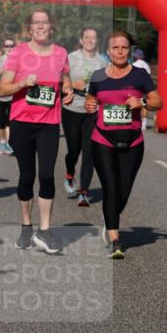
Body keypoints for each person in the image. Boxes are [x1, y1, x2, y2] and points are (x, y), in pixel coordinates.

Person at [0, 8, 73, 254]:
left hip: (49, 124)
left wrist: (68, 90)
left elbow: (66, 80)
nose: (40, 26)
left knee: (48, 174)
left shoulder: (61, 53)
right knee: (27, 175)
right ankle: (26, 226)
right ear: (30, 28)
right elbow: (1, 89)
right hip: (22, 123)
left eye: (45, 22)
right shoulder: (18, 53)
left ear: (52, 27)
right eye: (36, 23)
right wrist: (21, 83)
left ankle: (46, 229)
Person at [84, 31, 162, 259]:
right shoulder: (98, 76)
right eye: (115, 48)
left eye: (124, 48)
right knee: (110, 187)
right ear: (108, 51)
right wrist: (90, 106)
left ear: (129, 50)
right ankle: (115, 239)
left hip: (133, 142)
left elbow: (159, 101)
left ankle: (110, 218)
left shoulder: (139, 75)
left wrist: (142, 101)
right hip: (102, 139)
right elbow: (91, 100)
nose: (119, 51)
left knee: (123, 193)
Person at [64, 27, 105, 206]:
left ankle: (84, 192)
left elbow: (105, 88)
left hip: (91, 112)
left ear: (97, 41)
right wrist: (71, 85)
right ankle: (69, 174)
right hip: (72, 110)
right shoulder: (70, 58)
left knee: (89, 152)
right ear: (81, 40)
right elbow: (60, 81)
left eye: (93, 38)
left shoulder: (103, 63)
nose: (90, 40)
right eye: (87, 37)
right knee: (73, 150)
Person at [0, 38, 16, 155]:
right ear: (3, 48)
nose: (9, 48)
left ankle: (9, 143)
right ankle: (2, 142)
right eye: (7, 46)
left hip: (13, 96)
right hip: (0, 96)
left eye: (11, 46)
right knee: (1, 120)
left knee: (10, 121)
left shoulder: (18, 61)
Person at [131, 48, 152, 130]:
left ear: (136, 56)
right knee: (144, 104)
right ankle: (144, 124)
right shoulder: (146, 65)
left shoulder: (135, 64)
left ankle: (134, 122)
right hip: (145, 88)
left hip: (136, 88)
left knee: (134, 104)